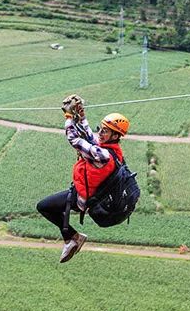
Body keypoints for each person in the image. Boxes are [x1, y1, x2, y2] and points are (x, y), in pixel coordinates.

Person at [36, 94, 130, 263]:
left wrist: (69, 118)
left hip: (82, 198)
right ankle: (71, 237)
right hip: (83, 192)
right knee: (49, 206)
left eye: (105, 131)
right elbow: (89, 137)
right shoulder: (112, 150)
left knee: (44, 207)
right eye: (101, 128)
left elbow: (75, 140)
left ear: (115, 135)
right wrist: (81, 115)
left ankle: (73, 237)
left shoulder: (103, 155)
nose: (100, 132)